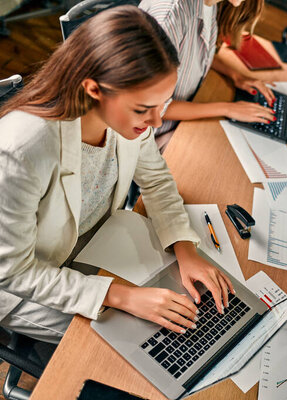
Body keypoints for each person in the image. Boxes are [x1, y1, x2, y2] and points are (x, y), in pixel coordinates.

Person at [0, 6, 233, 344]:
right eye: (143, 109)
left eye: (162, 105)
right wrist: (121, 296)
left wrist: (185, 249)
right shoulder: (20, 149)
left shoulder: (130, 117)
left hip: (89, 245)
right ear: (94, 89)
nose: (155, 122)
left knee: (172, 310)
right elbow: (14, 271)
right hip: (24, 284)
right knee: (139, 340)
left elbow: (156, 180)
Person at [139, 0, 276, 150]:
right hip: (152, 137)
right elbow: (149, 108)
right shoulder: (169, 16)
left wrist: (235, 75)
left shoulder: (209, 4)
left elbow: (191, 52)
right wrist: (228, 109)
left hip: (179, 123)